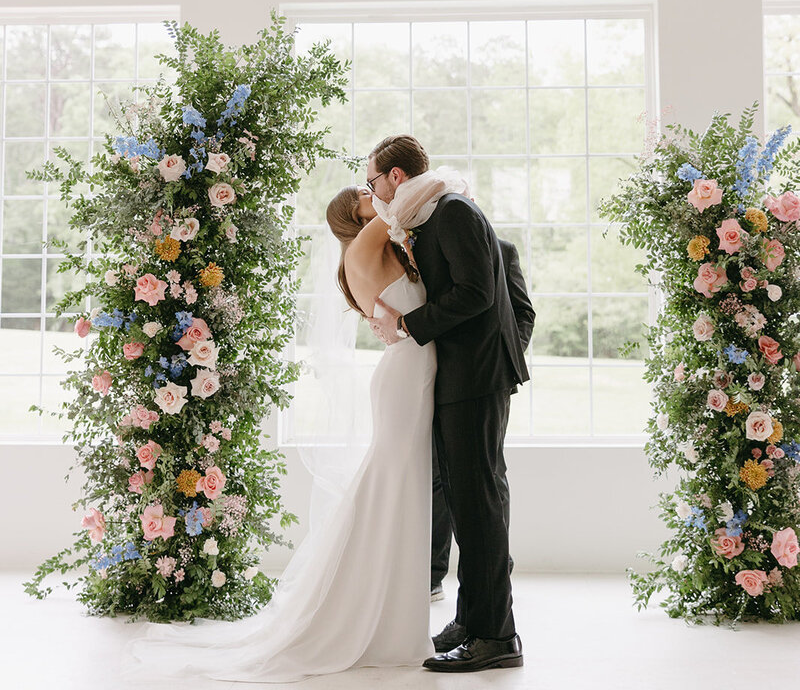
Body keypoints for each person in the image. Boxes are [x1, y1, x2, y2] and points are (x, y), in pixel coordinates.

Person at [126, 180, 445, 683]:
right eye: (366, 195)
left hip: (413, 374)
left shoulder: (383, 247)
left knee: (399, 489)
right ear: (355, 216)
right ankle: (373, 617)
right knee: (394, 485)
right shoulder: (363, 245)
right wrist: (424, 180)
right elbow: (422, 193)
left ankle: (392, 615)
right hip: (405, 377)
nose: (374, 194)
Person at [367, 135, 529, 673]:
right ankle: (470, 620)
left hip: (475, 380)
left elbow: (478, 292)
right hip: (460, 378)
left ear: (394, 176)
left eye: (373, 182)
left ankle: (496, 638)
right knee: (466, 503)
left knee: (479, 505)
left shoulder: (454, 210)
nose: (374, 193)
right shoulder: (432, 213)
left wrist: (406, 324)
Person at [429, 238, 535, 635]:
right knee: (442, 479)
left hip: (487, 380)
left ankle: (492, 570)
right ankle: (436, 572)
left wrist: (501, 363)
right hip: (443, 381)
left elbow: (523, 314)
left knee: (488, 479)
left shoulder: (503, 250)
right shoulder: (429, 252)